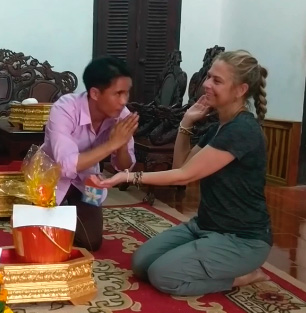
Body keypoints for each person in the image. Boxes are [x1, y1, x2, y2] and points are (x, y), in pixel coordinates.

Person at [91, 50, 271, 296]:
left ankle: (243, 276)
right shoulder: (219, 128)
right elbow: (180, 166)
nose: (206, 84)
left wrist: (128, 177)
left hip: (242, 239)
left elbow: (185, 175)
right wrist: (186, 122)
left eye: (216, 80)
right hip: (205, 227)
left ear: (241, 90)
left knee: (162, 276)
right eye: (209, 77)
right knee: (141, 263)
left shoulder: (242, 130)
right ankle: (211, 257)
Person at [41, 56, 139, 251]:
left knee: (91, 242)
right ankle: (56, 214)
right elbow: (66, 166)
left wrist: (120, 146)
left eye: (126, 93)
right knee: (42, 239)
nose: (123, 101)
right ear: (95, 93)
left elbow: (125, 168)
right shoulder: (64, 108)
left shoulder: (123, 116)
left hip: (87, 180)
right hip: (51, 177)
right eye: (118, 93)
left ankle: (69, 214)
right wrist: (113, 143)